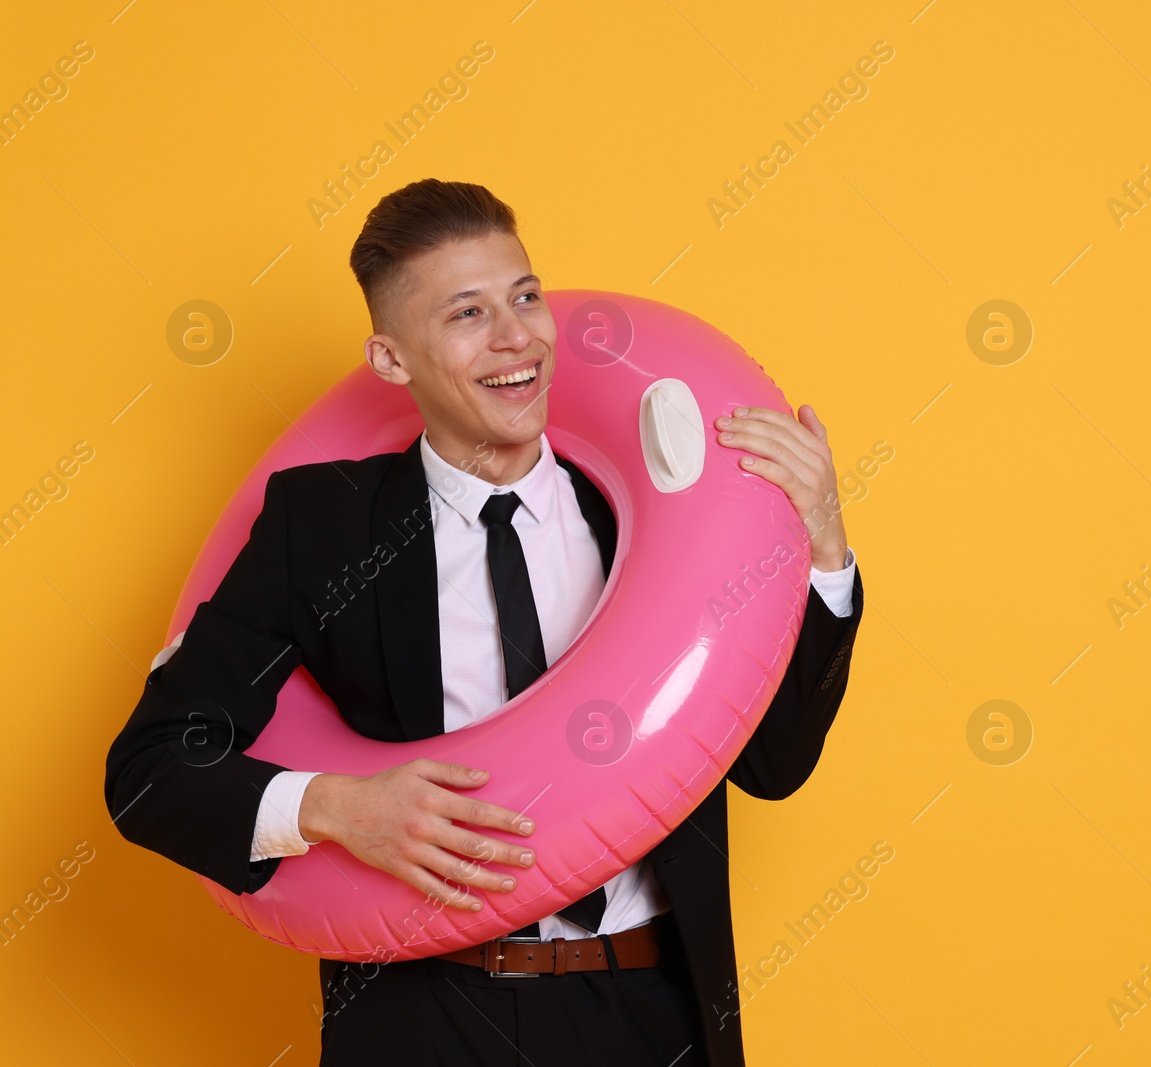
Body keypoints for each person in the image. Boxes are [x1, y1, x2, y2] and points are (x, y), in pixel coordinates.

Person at [103, 178, 864, 1065]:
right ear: (391, 361)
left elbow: (775, 765)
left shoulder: (658, 514)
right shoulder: (321, 526)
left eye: (526, 296)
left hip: (651, 1008)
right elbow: (152, 769)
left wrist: (822, 551)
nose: (518, 338)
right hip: (430, 1013)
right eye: (467, 314)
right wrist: (337, 807)